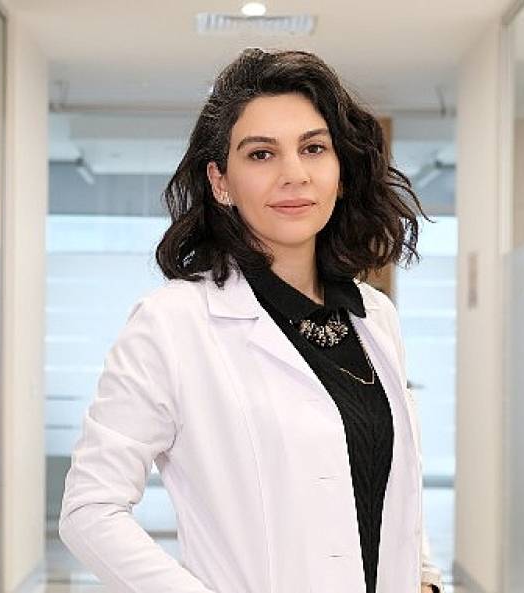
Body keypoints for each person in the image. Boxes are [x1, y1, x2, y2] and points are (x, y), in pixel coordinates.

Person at [59, 47, 443, 593]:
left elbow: (395, 476)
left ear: (340, 171)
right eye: (261, 154)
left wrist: (425, 577)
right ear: (221, 182)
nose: (294, 175)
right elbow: (89, 510)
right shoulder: (172, 324)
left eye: (313, 148)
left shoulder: (374, 315)